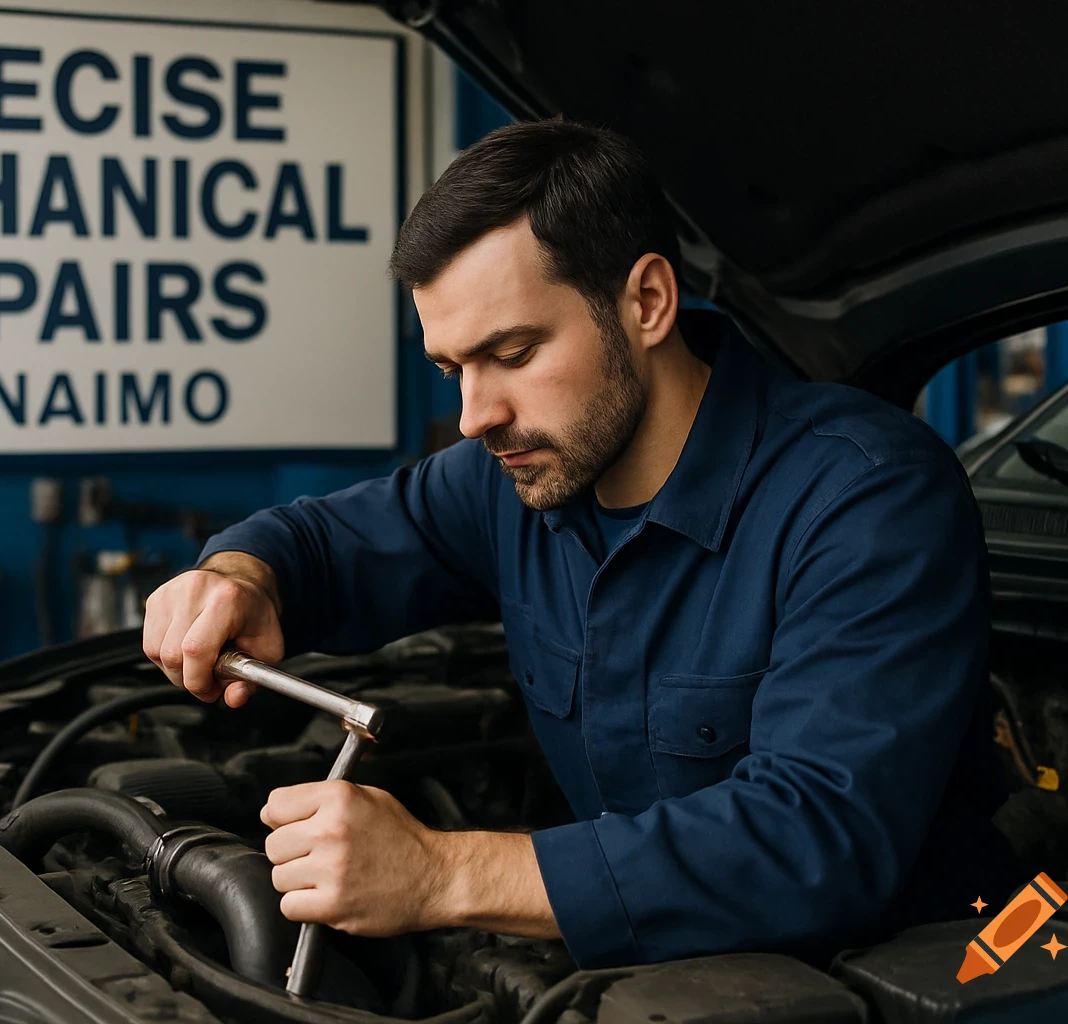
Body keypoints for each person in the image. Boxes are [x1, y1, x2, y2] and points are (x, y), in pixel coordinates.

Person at [142, 119, 1019, 967]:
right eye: (453, 369)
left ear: (646, 301)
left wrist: (442, 874)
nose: (474, 416)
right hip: (642, 977)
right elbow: (327, 541)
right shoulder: (516, 476)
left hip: (913, 978)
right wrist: (239, 576)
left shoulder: (866, 496)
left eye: (514, 353)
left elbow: (813, 839)